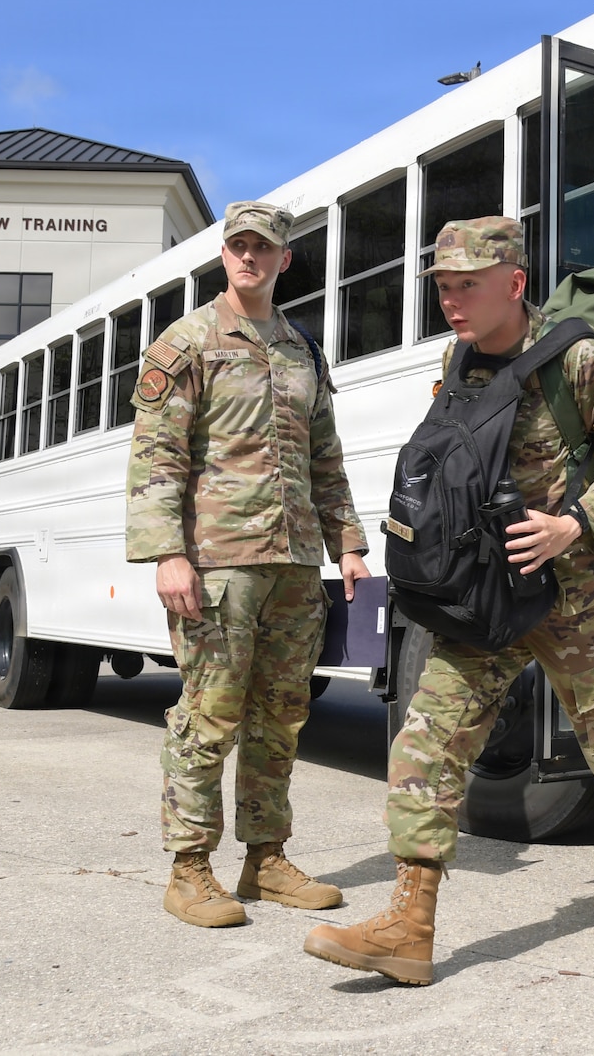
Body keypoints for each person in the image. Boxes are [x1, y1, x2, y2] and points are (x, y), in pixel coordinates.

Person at [303, 215, 594, 986]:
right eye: (444, 287)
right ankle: (408, 925)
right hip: (490, 593)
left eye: (467, 286)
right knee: (428, 737)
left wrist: (574, 524)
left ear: (514, 284)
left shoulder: (582, 360)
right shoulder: (461, 360)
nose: (451, 302)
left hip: (581, 593)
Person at [126, 200, 371, 928]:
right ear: (223, 254)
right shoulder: (188, 342)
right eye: (237, 245)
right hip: (219, 563)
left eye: (262, 247)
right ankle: (189, 868)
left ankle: (265, 858)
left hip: (294, 565)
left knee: (281, 716)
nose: (249, 257)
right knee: (209, 715)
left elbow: (323, 457)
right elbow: (157, 455)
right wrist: (168, 551)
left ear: (284, 258)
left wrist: (348, 543)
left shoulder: (302, 350)